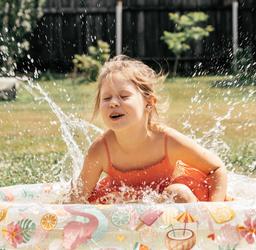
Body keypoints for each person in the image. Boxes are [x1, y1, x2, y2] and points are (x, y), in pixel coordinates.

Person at [70, 55, 227, 204]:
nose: (113, 103)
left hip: (172, 204)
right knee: (110, 201)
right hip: (128, 204)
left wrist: (215, 209)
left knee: (178, 193)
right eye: (106, 98)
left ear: (149, 102)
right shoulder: (101, 150)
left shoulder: (166, 141)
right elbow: (77, 198)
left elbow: (216, 168)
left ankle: (187, 231)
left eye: (124, 96)